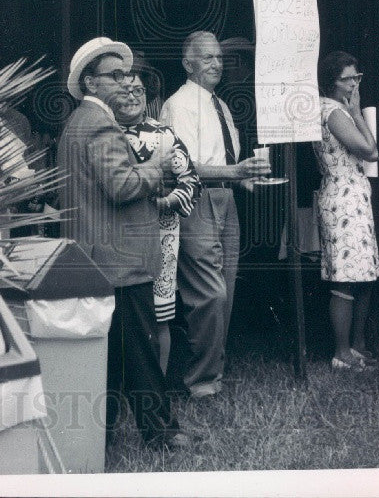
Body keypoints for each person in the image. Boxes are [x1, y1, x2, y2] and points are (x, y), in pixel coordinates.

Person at [56, 37, 191, 450]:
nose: (126, 82)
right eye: (116, 75)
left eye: (127, 74)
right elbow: (121, 185)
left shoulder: (79, 122)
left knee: (112, 355)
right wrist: (157, 166)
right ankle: (161, 433)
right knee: (140, 352)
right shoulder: (99, 124)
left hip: (99, 257)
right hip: (119, 259)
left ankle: (105, 432)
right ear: (91, 84)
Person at [160, 31, 271, 398]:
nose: (216, 64)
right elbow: (182, 166)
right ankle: (201, 380)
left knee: (227, 286)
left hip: (225, 198)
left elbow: (226, 160)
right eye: (207, 58)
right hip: (196, 199)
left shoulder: (220, 106)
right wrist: (236, 172)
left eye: (219, 58)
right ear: (187, 63)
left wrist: (245, 178)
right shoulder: (179, 104)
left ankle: (213, 371)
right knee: (209, 293)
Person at [112, 66, 201, 373]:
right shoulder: (104, 134)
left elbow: (190, 181)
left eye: (138, 90)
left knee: (158, 316)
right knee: (119, 316)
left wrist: (164, 201)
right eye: (124, 90)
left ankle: (157, 388)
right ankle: (121, 390)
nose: (131, 97)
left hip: (160, 235)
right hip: (117, 236)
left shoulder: (163, 134)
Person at [313, 51, 379, 370]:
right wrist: (357, 113)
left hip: (353, 194)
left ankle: (357, 346)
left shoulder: (340, 109)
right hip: (342, 196)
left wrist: (354, 112)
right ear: (331, 82)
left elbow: (370, 152)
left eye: (357, 77)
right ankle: (341, 352)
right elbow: (370, 150)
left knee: (362, 272)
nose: (354, 84)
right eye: (347, 79)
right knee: (345, 275)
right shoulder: (333, 111)